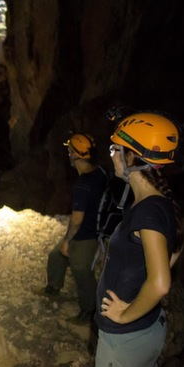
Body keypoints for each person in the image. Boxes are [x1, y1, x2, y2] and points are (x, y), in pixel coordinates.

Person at [93, 112, 184, 367]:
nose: (112, 154)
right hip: (146, 331)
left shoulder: (148, 210)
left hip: (127, 339)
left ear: (133, 157)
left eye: (115, 148)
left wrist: (124, 313)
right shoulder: (158, 205)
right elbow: (171, 255)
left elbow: (161, 284)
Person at [43, 133, 108, 324]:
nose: (68, 154)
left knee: (81, 270)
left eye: (70, 151)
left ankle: (89, 312)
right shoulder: (100, 173)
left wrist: (67, 240)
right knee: (56, 256)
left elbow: (77, 220)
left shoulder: (82, 185)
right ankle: (53, 288)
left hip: (87, 235)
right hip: (97, 227)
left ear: (76, 155)